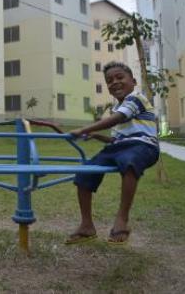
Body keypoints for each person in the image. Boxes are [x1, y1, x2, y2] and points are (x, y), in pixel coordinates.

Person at [65, 62, 159, 245]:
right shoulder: (117, 108)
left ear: (133, 81)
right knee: (86, 171)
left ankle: (122, 220)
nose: (114, 82)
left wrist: (84, 129)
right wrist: (97, 135)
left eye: (119, 77)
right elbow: (116, 141)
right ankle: (86, 225)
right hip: (120, 147)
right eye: (109, 80)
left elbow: (116, 119)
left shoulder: (136, 98)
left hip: (144, 146)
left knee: (129, 161)